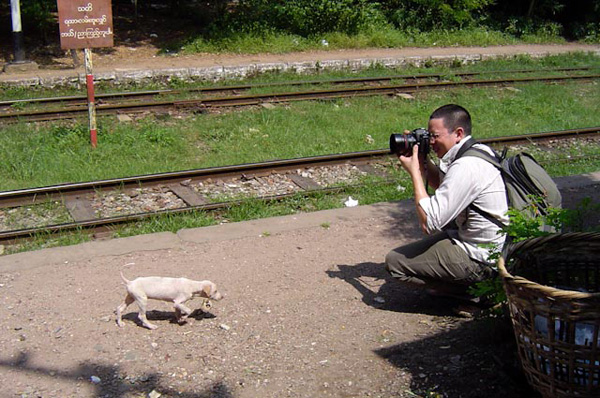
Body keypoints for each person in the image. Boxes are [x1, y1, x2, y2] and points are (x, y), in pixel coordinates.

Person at [385, 104, 508, 306]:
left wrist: (416, 173)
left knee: (395, 262)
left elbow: (429, 223)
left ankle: (479, 294)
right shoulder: (477, 151)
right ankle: (478, 287)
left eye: (435, 136)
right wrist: (422, 160)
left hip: (483, 258)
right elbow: (445, 186)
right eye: (428, 137)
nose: (431, 142)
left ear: (458, 133)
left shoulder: (466, 166)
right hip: (493, 248)